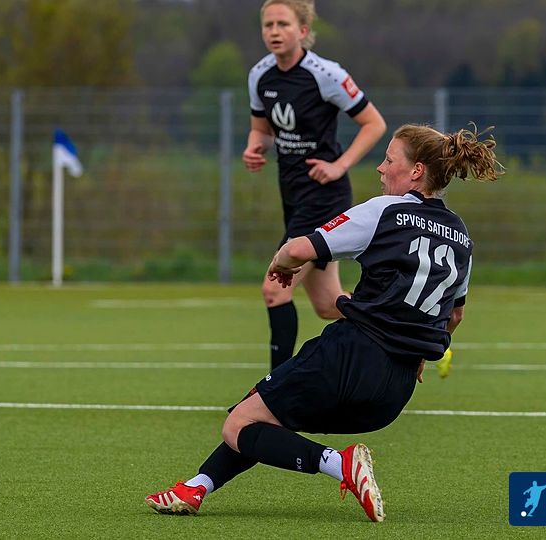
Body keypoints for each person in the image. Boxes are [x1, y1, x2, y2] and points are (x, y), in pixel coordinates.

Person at [146, 124, 503, 522]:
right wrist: (419, 357)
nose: (381, 169)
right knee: (259, 415)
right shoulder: (462, 236)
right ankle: (196, 488)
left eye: (389, 160)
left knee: (239, 424)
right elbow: (454, 315)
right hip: (393, 394)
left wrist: (281, 264)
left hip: (350, 356)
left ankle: (340, 464)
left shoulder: (386, 211)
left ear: (416, 171)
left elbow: (298, 248)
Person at [243, 0, 387, 370]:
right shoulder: (260, 75)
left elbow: (374, 123)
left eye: (283, 24)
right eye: (268, 25)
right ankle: (404, 329)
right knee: (327, 305)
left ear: (303, 31)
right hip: (293, 196)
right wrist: (254, 147)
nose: (274, 31)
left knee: (274, 290)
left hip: (324, 198)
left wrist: (340, 165)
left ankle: (273, 388)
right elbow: (262, 130)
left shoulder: (325, 74)